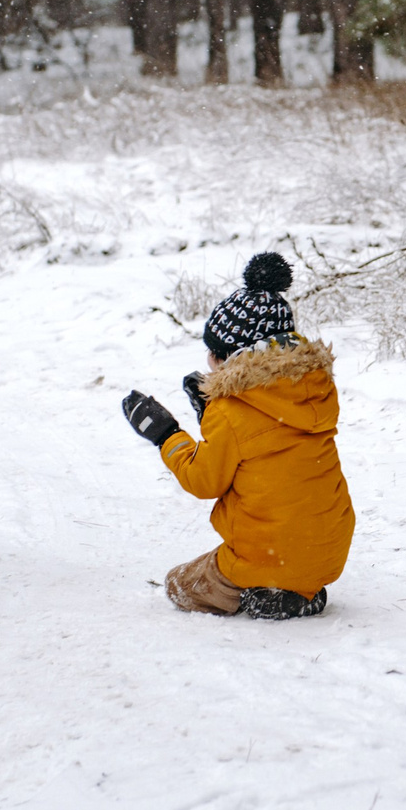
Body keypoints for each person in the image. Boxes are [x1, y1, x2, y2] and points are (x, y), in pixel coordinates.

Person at [120, 253, 354, 619]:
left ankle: (267, 590)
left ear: (230, 357)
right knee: (288, 546)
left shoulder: (231, 412)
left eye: (214, 352)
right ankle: (301, 591)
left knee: (179, 585)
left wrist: (167, 435)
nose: (208, 359)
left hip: (269, 554)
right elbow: (263, 442)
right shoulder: (314, 390)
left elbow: (204, 480)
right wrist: (209, 413)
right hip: (329, 550)